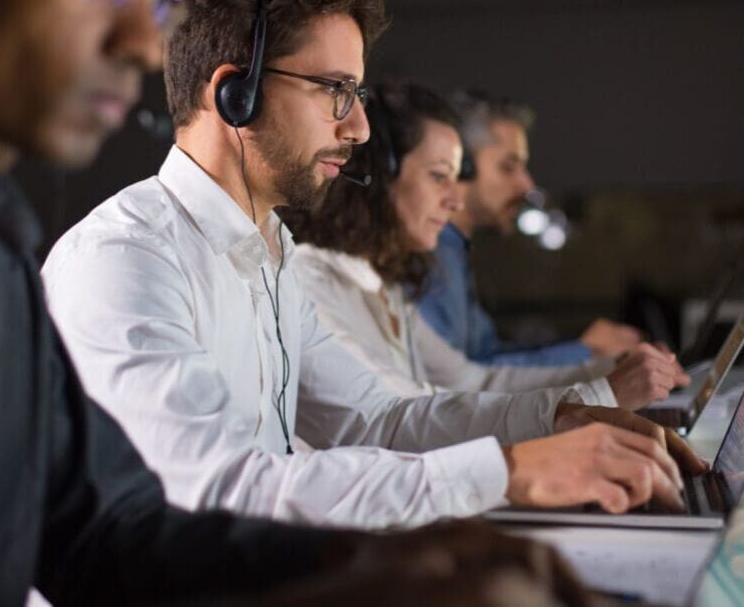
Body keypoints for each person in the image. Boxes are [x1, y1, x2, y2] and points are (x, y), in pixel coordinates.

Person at [0, 0, 597, 605]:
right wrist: (499, 476)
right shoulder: (117, 259)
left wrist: (393, 564)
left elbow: (111, 533)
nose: (143, 42)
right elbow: (205, 494)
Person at [42, 0, 704, 534]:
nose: (358, 127)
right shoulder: (126, 260)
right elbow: (219, 491)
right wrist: (508, 472)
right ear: (234, 95)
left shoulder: (271, 253)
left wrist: (565, 419)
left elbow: (378, 419)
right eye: (335, 90)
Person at [284, 82, 689, 411]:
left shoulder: (383, 285)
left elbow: (473, 381)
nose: (456, 199)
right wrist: (599, 392)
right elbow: (400, 417)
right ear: (379, 176)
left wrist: (606, 372)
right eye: (440, 176)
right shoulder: (314, 281)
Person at [416, 90, 644, 366]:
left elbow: (485, 354)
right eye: (508, 167)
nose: (527, 185)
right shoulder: (427, 252)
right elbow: (456, 380)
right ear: (460, 165)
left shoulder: (454, 251)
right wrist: (584, 352)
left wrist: (584, 347)